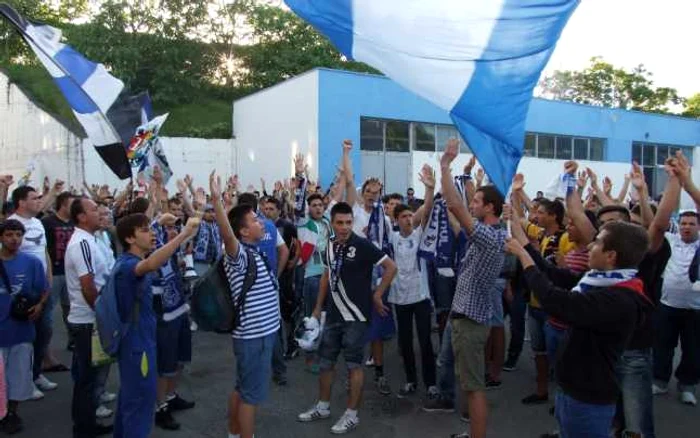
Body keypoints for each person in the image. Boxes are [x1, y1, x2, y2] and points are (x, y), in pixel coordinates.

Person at [506, 221, 652, 438]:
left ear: (611, 256)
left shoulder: (620, 299)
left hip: (588, 397)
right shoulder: (599, 281)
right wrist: (523, 243)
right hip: (571, 389)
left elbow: (555, 301)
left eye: (597, 242)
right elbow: (551, 273)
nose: (590, 247)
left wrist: (523, 257)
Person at [297, 201, 397, 434]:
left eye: (348, 222)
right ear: (331, 224)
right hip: (332, 316)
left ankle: (352, 415)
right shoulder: (330, 245)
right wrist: (317, 308)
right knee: (326, 363)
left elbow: (391, 268)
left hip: (356, 317)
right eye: (340, 223)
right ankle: (322, 407)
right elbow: (326, 276)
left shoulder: (362, 245)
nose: (344, 227)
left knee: (354, 366)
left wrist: (377, 295)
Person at [439, 139, 506, 438]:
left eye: (477, 202)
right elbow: (457, 209)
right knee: (469, 384)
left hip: (471, 322)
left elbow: (455, 205)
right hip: (465, 318)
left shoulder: (490, 238)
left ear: (489, 207)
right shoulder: (488, 235)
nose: (472, 205)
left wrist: (445, 165)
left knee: (474, 388)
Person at [112, 213, 200, 438]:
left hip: (143, 339)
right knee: (139, 406)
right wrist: (184, 235)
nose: (152, 233)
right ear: (130, 239)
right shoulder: (126, 266)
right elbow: (151, 263)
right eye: (145, 230)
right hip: (136, 344)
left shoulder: (132, 260)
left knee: (131, 402)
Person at [206, 172, 280, 438]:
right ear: (244, 231)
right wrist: (216, 201)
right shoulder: (239, 256)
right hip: (255, 336)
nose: (261, 222)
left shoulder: (253, 253)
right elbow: (227, 237)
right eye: (255, 220)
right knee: (250, 397)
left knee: (241, 388)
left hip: (259, 335)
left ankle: (233, 433)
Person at [342, 140, 395, 395]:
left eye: (377, 191)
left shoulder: (384, 218)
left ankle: (380, 373)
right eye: (369, 191)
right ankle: (352, 372)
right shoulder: (354, 211)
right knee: (353, 324)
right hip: (356, 274)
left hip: (377, 275)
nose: (372, 195)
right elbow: (350, 181)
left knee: (376, 325)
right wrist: (346, 154)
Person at [64, 197, 114, 437]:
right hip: (87, 321)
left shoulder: (92, 240)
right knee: (86, 378)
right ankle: (83, 429)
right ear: (82, 217)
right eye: (94, 210)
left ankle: (88, 423)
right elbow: (88, 286)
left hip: (92, 318)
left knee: (91, 377)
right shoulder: (81, 243)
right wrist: (103, 313)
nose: (99, 213)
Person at [389, 164, 437, 398]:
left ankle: (431, 383)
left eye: (410, 215)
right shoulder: (391, 236)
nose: (409, 219)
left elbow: (426, 210)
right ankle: (410, 380)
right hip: (399, 297)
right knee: (405, 342)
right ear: (396, 220)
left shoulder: (419, 234)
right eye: (404, 216)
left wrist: (429, 189)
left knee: (426, 341)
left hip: (421, 296)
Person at [0, 219, 49, 434]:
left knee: (18, 376)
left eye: (19, 235)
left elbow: (43, 289)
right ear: (1, 237)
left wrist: (39, 305)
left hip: (21, 330)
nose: (15, 239)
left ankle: (12, 413)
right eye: (10, 234)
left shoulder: (32, 263)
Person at [8, 186, 56, 397]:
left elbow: (43, 252)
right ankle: (23, 381)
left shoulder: (37, 223)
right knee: (24, 338)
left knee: (44, 332)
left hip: (43, 289)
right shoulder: (11, 225)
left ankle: (36, 373)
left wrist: (49, 278)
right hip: (22, 293)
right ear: (21, 202)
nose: (39, 201)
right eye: (34, 198)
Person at [151, 214, 196, 431]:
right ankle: (160, 407)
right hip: (163, 315)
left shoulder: (171, 250)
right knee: (164, 364)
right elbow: (152, 238)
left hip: (179, 310)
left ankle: (171, 395)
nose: (172, 231)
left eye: (174, 228)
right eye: (167, 229)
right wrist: (158, 221)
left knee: (179, 359)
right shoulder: (154, 249)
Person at [653, 210, 700, 405]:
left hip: (696, 308)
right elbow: (654, 223)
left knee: (693, 348)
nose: (686, 227)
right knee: (662, 345)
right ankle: (660, 380)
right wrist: (641, 192)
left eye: (691, 223)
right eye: (683, 223)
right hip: (668, 305)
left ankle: (687, 385)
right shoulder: (670, 240)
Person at [296, 193, 331, 373]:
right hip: (312, 277)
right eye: (314, 205)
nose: (318, 208)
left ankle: (323, 354)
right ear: (308, 208)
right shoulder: (304, 223)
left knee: (326, 318)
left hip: (329, 275)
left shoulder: (327, 223)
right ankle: (310, 358)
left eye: (320, 205)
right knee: (312, 318)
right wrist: (301, 176)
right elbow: (297, 204)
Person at [42, 191, 75, 357]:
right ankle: (45, 351)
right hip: (53, 273)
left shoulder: (75, 223)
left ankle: (73, 340)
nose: (74, 207)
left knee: (70, 308)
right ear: (62, 205)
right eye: (71, 204)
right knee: (48, 311)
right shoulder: (47, 222)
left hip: (70, 273)